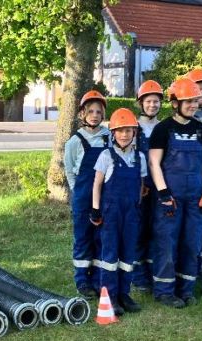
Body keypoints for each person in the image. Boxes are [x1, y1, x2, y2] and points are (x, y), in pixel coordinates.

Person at [148, 78, 202, 308]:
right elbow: (154, 163)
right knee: (167, 242)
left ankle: (186, 289)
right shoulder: (163, 129)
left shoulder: (201, 130)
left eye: (195, 101)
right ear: (175, 102)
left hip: (196, 197)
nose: (192, 105)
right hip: (171, 199)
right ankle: (165, 291)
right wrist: (164, 193)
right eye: (187, 101)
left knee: (192, 242)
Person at [90, 108, 149, 315]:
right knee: (110, 255)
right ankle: (109, 295)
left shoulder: (140, 158)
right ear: (113, 133)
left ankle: (124, 293)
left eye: (129, 130)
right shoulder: (106, 156)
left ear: (135, 133)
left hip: (131, 214)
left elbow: (141, 185)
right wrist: (96, 209)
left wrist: (137, 206)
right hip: (110, 214)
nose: (124, 134)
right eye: (120, 130)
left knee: (128, 255)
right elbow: (97, 184)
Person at [63, 90, 111, 299]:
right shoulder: (75, 141)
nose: (94, 115)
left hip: (105, 196)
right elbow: (69, 170)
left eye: (98, 111)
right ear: (82, 113)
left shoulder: (109, 137)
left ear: (103, 115)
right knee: (83, 238)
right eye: (90, 111)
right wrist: (78, 192)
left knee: (101, 238)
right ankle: (82, 280)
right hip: (83, 196)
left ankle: (98, 278)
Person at [131, 80, 164, 293]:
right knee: (139, 230)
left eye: (156, 101)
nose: (153, 105)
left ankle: (154, 272)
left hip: (160, 185)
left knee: (157, 229)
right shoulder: (133, 127)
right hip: (140, 185)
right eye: (149, 101)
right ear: (141, 103)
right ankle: (139, 275)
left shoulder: (164, 127)